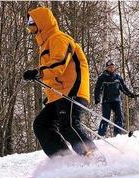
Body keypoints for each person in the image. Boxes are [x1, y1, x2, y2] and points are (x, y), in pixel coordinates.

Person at [23, 7, 102, 161]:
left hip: (72, 91)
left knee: (69, 126)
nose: (30, 28)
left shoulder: (59, 39)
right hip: (59, 95)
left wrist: (38, 72)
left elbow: (59, 65)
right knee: (41, 124)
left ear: (42, 23)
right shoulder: (45, 45)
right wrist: (49, 95)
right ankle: (64, 161)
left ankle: (95, 159)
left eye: (32, 23)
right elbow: (55, 77)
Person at [94, 60, 138, 137]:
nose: (111, 68)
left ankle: (117, 134)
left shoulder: (118, 77)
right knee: (106, 118)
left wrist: (130, 94)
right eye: (109, 67)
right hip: (106, 101)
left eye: (112, 67)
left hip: (116, 100)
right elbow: (98, 88)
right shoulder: (102, 77)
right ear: (106, 68)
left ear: (114, 67)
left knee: (119, 117)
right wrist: (97, 98)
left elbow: (123, 88)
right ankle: (100, 135)